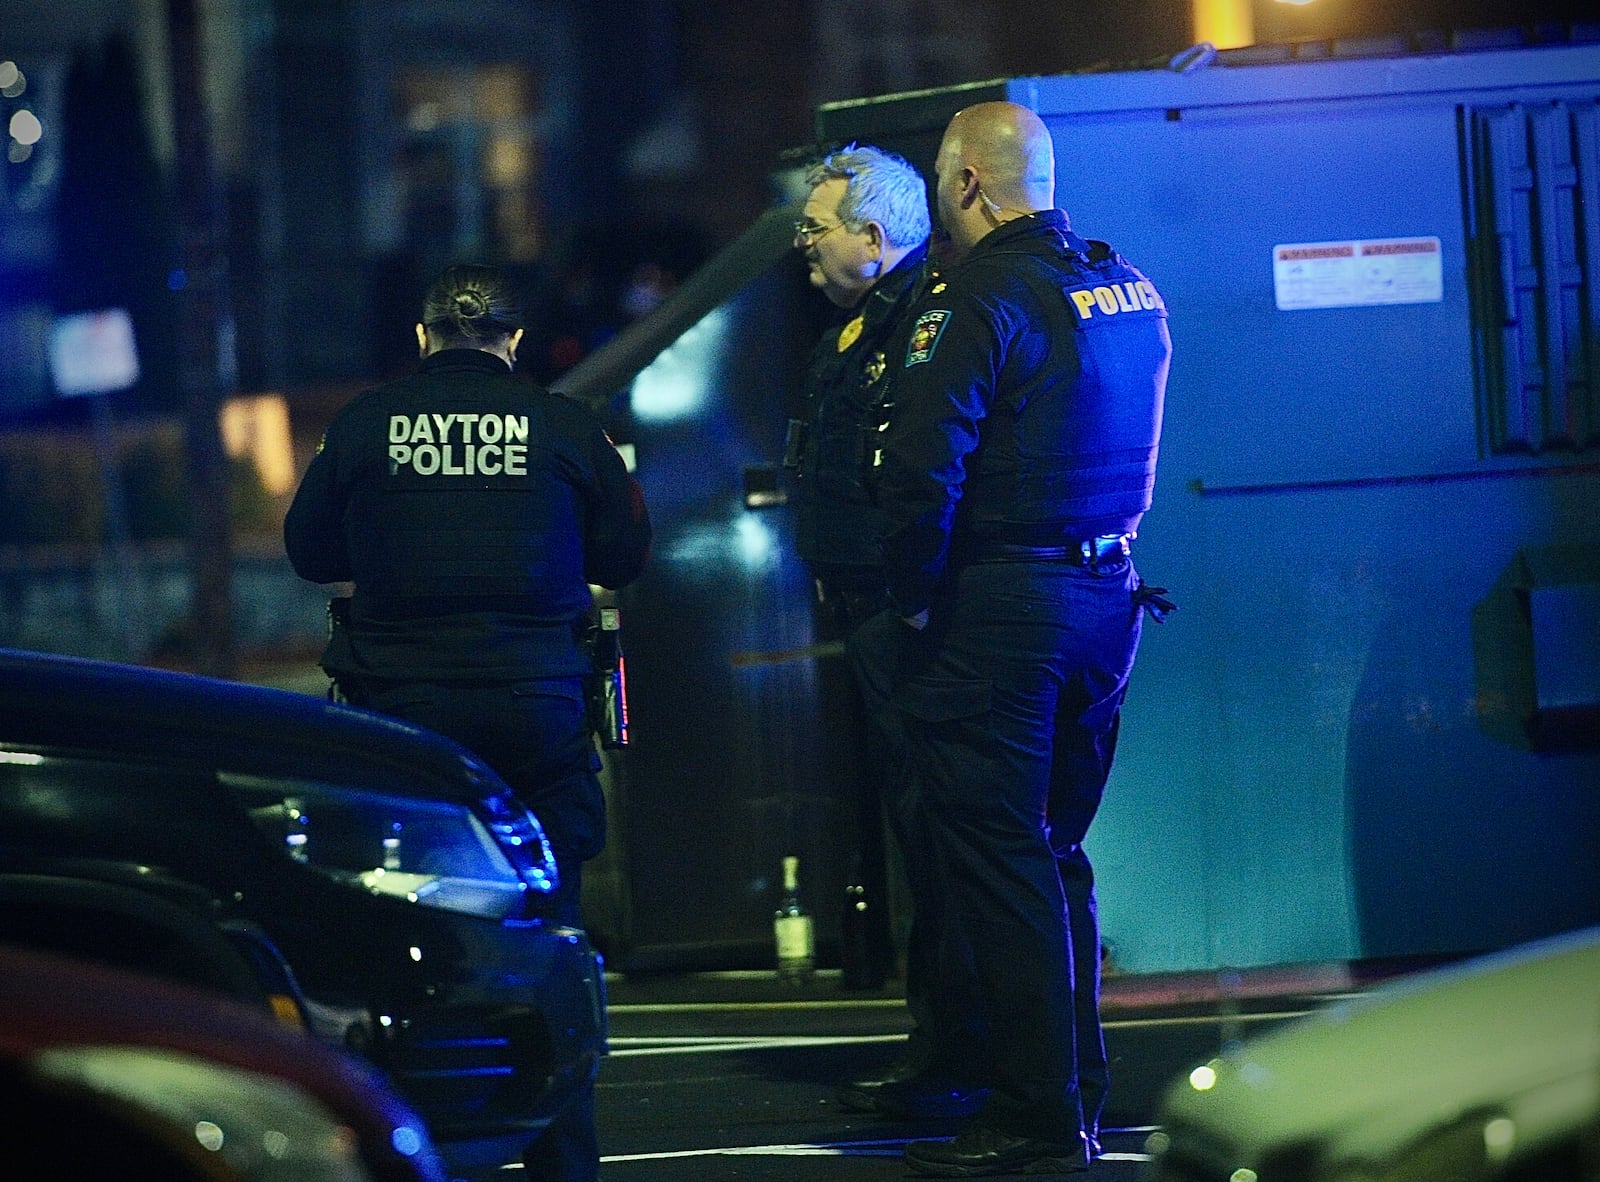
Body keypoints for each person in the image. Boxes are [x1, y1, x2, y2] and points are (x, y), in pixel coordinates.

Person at [849, 101, 1171, 1176]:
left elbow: (919, 473)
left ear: (966, 184)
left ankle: (1037, 1117)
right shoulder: (1121, 281)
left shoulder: (978, 298)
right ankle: (1078, 1086)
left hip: (1006, 611)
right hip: (1108, 594)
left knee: (997, 861)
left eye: (944, 182)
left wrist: (912, 598)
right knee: (1056, 855)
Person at [282, 263, 651, 1182]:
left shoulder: (366, 426)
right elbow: (625, 551)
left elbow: (309, 550)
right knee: (550, 928)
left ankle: (408, 1147)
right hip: (539, 716)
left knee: (396, 936)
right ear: (514, 341)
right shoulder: (566, 426)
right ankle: (565, 1158)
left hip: (402, 728)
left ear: (423, 337)